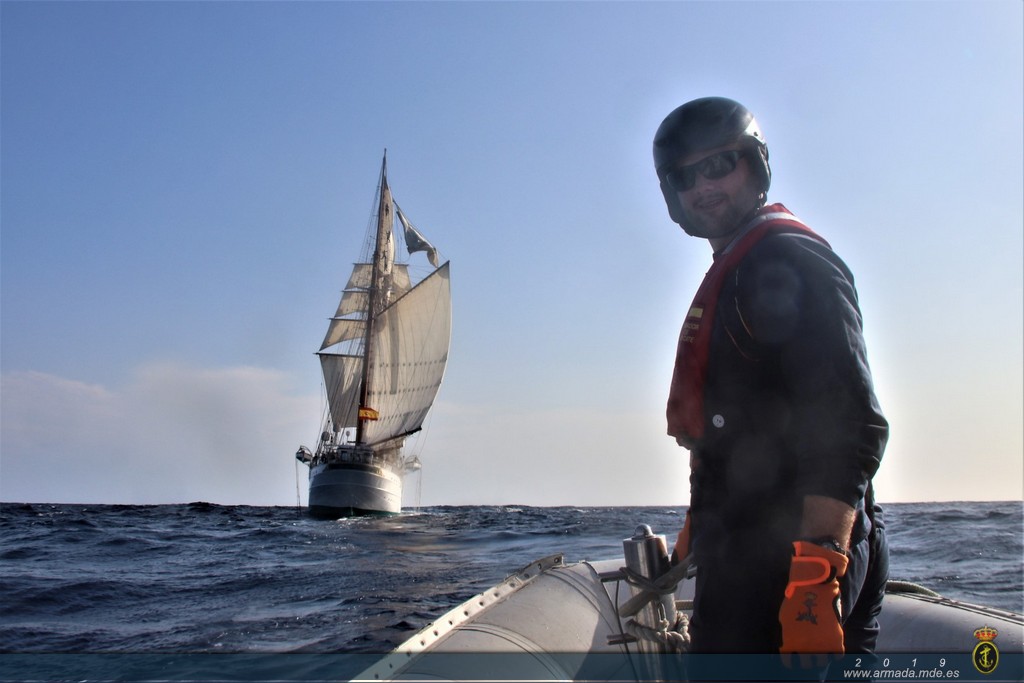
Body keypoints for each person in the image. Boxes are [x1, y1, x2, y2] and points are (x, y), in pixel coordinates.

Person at [653, 97, 890, 678]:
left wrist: (816, 575)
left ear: (754, 168)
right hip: (749, 545)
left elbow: (847, 424)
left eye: (720, 165)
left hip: (791, 559)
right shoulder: (739, 268)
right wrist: (700, 526)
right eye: (687, 175)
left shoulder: (789, 260)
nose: (704, 186)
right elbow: (739, 427)